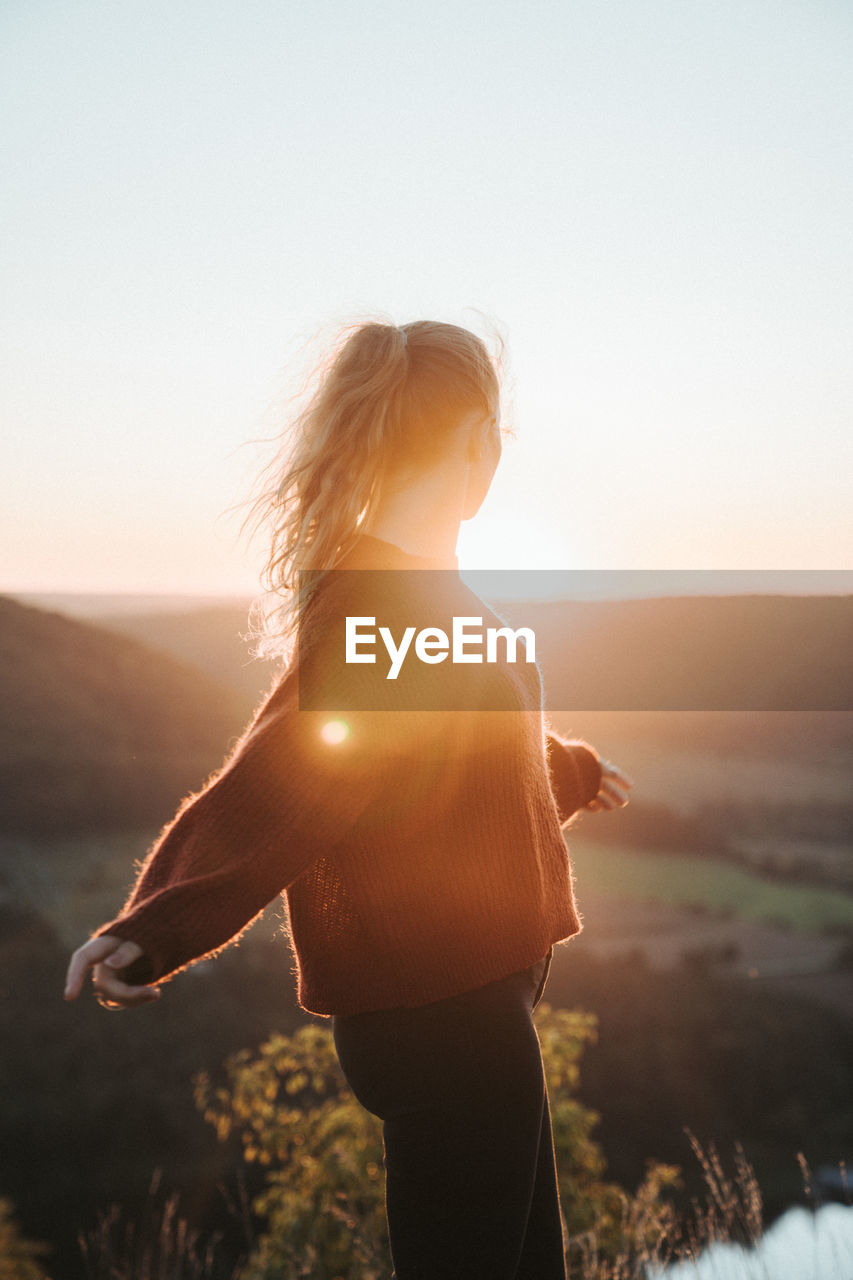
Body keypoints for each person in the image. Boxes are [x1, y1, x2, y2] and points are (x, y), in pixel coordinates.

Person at [65, 319, 633, 1279]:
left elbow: (458, 750)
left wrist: (568, 772)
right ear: (476, 444)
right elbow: (290, 776)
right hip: (450, 1028)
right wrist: (158, 923)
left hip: (470, 1019)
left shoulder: (419, 598)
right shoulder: (384, 605)